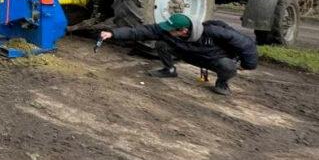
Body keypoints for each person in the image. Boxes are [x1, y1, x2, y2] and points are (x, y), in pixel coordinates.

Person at [99, 13, 258, 96]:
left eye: (171, 29)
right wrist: (113, 33)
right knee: (161, 43)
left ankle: (222, 84)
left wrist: (247, 65)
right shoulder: (168, 31)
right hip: (188, 55)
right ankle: (169, 70)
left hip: (212, 61)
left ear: (184, 31)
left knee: (228, 66)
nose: (166, 30)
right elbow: (140, 31)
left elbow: (246, 44)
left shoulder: (214, 32)